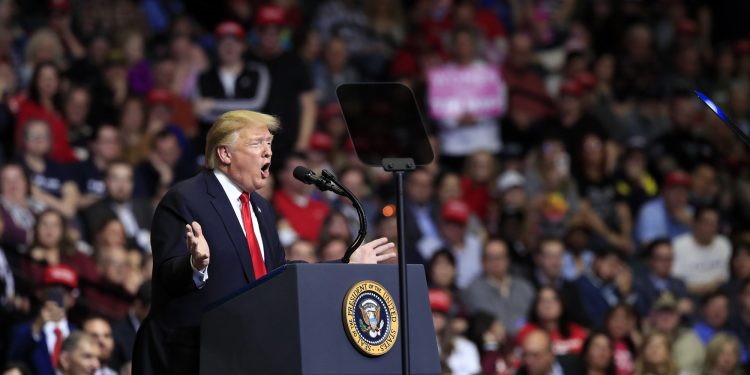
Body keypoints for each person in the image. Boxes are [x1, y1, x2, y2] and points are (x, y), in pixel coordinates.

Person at [132, 110, 395, 374]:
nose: (268, 152)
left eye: (269, 143)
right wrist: (195, 264)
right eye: (257, 143)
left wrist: (345, 265)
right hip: (191, 359)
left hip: (244, 355)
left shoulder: (260, 207)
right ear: (225, 154)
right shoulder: (185, 198)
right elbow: (167, 276)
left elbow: (279, 274)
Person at [7, 265, 80, 375]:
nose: (59, 294)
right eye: (54, 288)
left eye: (65, 290)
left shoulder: (78, 333)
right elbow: (12, 361)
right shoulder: (23, 330)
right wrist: (37, 326)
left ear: (73, 298)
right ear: (40, 292)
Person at [462, 238, 535, 336]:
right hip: (491, 343)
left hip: (525, 340)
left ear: (508, 259)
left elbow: (532, 318)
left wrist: (523, 328)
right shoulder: (473, 290)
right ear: (483, 261)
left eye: (500, 257)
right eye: (491, 258)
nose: (497, 262)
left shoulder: (525, 288)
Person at [672, 206, 732, 297]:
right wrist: (706, 288)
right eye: (706, 223)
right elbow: (675, 283)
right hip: (688, 296)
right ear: (694, 223)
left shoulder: (724, 244)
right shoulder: (678, 246)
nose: (711, 228)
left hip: (720, 296)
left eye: (714, 224)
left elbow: (725, 279)